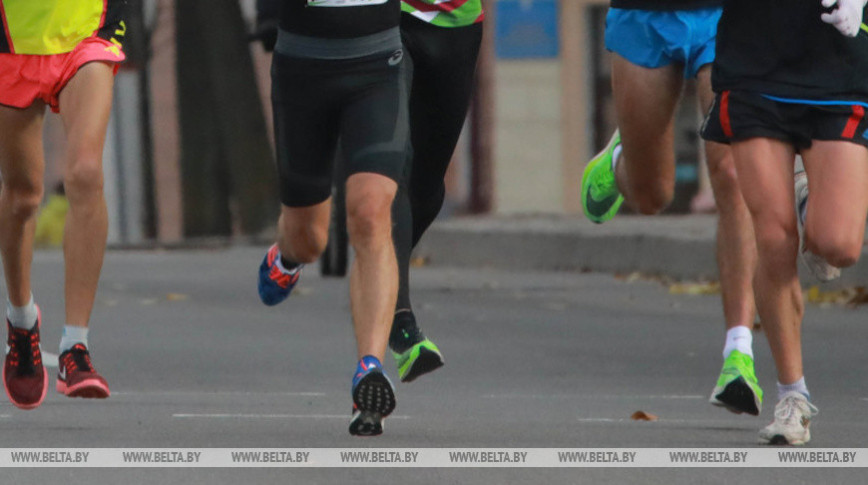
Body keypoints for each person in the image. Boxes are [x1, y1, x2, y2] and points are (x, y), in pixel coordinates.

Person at [580, 0, 763, 416]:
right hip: (645, 15)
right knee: (652, 196)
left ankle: (739, 353)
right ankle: (619, 161)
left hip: (727, 17)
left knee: (732, 174)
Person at [702, 0, 868, 444]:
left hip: (837, 66)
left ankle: (807, 200)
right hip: (753, 67)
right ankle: (793, 395)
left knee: (839, 245)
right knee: (773, 239)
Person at [256, 0, 408, 436]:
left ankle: (370, 369)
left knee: (371, 211)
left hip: (379, 62)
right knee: (310, 240)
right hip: (302, 66)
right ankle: (287, 256)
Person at [0, 0, 127, 409]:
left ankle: (76, 348)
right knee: (23, 196)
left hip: (87, 31)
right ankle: (21, 321)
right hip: (12, 41)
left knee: (87, 172)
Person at [388, 0, 484, 382]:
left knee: (427, 190)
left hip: (456, 22)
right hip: (385, 17)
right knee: (394, 163)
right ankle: (400, 320)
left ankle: (379, 269)